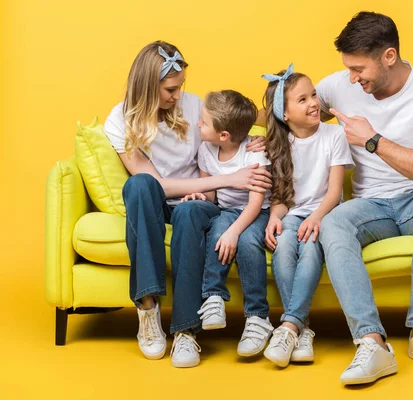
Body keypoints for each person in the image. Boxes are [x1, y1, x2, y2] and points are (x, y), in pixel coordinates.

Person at [316, 12, 413, 385]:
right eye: (348, 69)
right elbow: (293, 112)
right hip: (371, 207)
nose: (352, 78)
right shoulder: (338, 87)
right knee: (334, 221)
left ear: (389, 56)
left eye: (358, 68)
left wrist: (372, 140)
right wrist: (247, 132)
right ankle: (372, 343)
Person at [104, 41, 270, 368]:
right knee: (139, 185)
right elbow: (156, 185)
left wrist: (251, 137)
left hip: (198, 204)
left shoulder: (195, 107)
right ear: (147, 87)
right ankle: (148, 309)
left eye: (180, 87)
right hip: (157, 202)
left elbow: (236, 122)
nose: (177, 96)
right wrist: (229, 179)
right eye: (170, 89)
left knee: (190, 211)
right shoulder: (120, 119)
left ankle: (185, 331)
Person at [260, 64, 354, 368]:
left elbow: (334, 192)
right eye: (302, 99)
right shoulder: (279, 145)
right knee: (285, 245)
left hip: (326, 213)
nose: (314, 103)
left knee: (311, 248)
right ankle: (302, 331)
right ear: (284, 114)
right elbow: (282, 197)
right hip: (294, 213)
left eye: (313, 95)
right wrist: (275, 216)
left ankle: (290, 326)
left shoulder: (333, 135)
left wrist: (316, 218)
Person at [190, 90, 274, 357]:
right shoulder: (206, 149)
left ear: (223, 135)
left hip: (256, 212)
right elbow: (212, 195)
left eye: (203, 122)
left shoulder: (254, 155)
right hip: (226, 210)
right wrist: (199, 194)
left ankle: (258, 316)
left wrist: (234, 233)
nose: (198, 124)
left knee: (247, 242)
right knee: (218, 229)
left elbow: (255, 204)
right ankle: (213, 297)